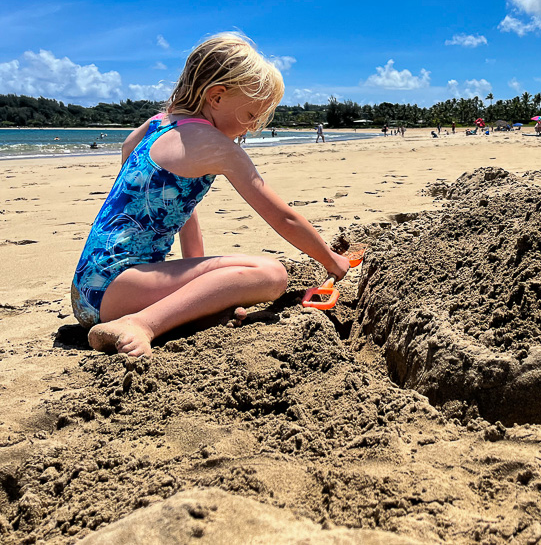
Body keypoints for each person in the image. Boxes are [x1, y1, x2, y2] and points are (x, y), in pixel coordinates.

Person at [70, 33, 349, 358]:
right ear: (216, 97)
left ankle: (187, 314)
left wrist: (196, 284)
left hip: (88, 284)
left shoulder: (156, 124)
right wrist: (331, 260)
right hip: (120, 289)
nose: (251, 127)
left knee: (223, 276)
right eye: (250, 116)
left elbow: (157, 184)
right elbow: (283, 217)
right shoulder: (217, 146)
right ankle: (140, 323)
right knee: (272, 275)